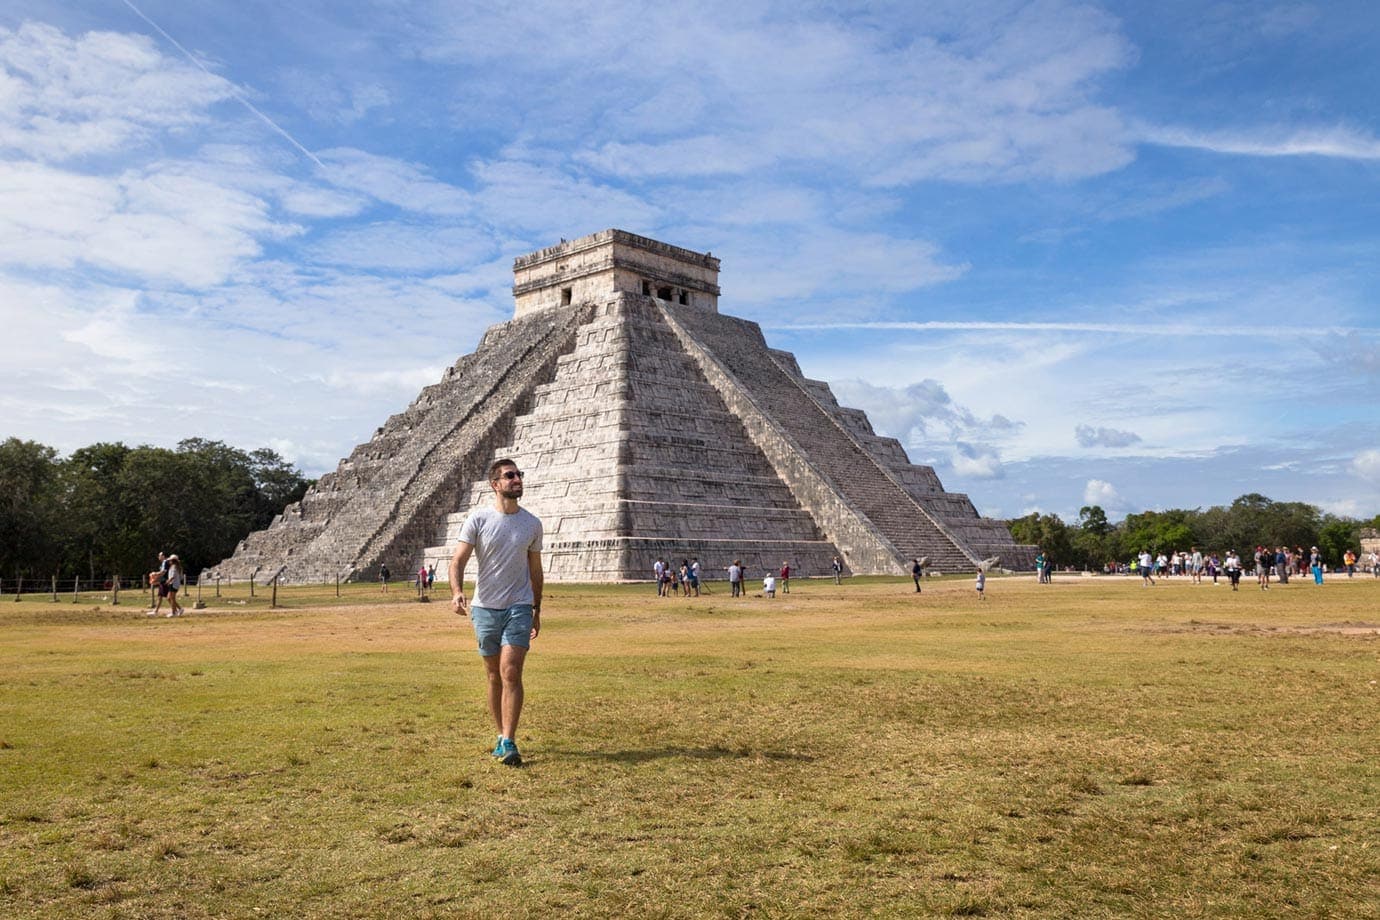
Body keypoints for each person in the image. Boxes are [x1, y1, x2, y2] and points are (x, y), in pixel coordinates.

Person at [448, 458, 544, 768]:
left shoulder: (532, 524)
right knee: (493, 676)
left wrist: (536, 609)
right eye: (510, 475)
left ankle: (510, 740)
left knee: (510, 671)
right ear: (495, 484)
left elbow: (536, 570)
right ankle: (501, 735)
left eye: (519, 475)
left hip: (519, 606)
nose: (517, 479)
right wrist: (457, 592)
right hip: (485, 607)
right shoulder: (478, 520)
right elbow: (457, 561)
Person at [146, 551, 170, 616]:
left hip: (165, 582)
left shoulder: (165, 562)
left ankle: (177, 609)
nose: (158, 557)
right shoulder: (164, 563)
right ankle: (155, 611)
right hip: (163, 581)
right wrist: (156, 579)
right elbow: (162, 573)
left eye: (160, 555)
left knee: (169, 597)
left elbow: (163, 572)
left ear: (163, 556)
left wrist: (155, 574)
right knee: (161, 596)